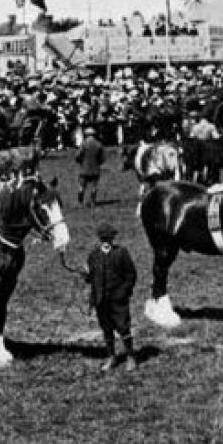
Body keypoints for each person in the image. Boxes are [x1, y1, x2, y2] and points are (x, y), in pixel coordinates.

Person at [83, 222, 138, 372]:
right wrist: (86, 274)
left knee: (123, 327)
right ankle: (111, 357)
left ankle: (130, 356)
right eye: (104, 238)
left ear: (113, 238)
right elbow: (90, 279)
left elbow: (131, 275)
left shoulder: (122, 253)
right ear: (100, 238)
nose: (106, 240)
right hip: (101, 299)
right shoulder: (93, 255)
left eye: (109, 238)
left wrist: (124, 292)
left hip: (118, 299)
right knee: (106, 328)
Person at [75, 126, 105, 206]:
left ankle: (80, 203)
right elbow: (102, 158)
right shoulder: (99, 144)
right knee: (94, 187)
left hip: (84, 169)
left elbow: (77, 156)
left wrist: (80, 161)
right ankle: (92, 202)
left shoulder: (84, 144)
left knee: (81, 187)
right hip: (95, 169)